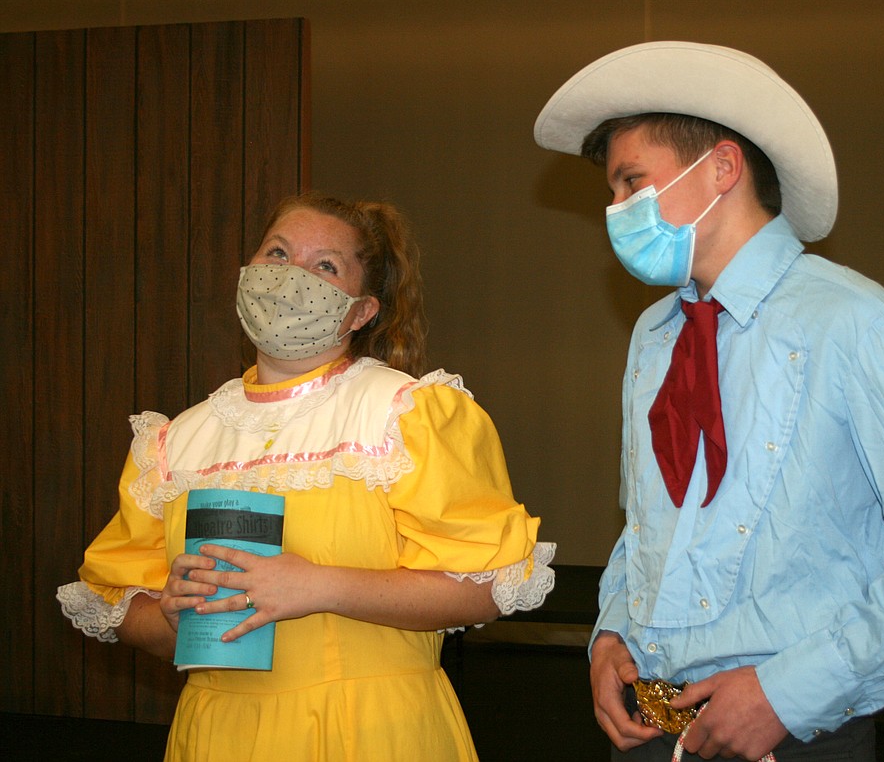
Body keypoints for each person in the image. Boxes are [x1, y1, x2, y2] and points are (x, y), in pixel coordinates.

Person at [533, 41, 884, 761]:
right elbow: (651, 523)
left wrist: (789, 693)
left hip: (789, 736)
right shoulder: (655, 334)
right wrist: (610, 635)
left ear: (722, 169)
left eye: (630, 183)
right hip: (647, 725)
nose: (615, 212)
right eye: (612, 192)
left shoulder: (857, 323)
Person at [57, 191, 555, 761]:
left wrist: (320, 586)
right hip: (217, 734)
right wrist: (169, 614)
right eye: (278, 253)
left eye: (325, 266)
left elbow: (489, 587)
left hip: (372, 732)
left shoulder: (406, 414)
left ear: (362, 311)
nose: (291, 278)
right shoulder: (177, 440)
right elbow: (119, 601)